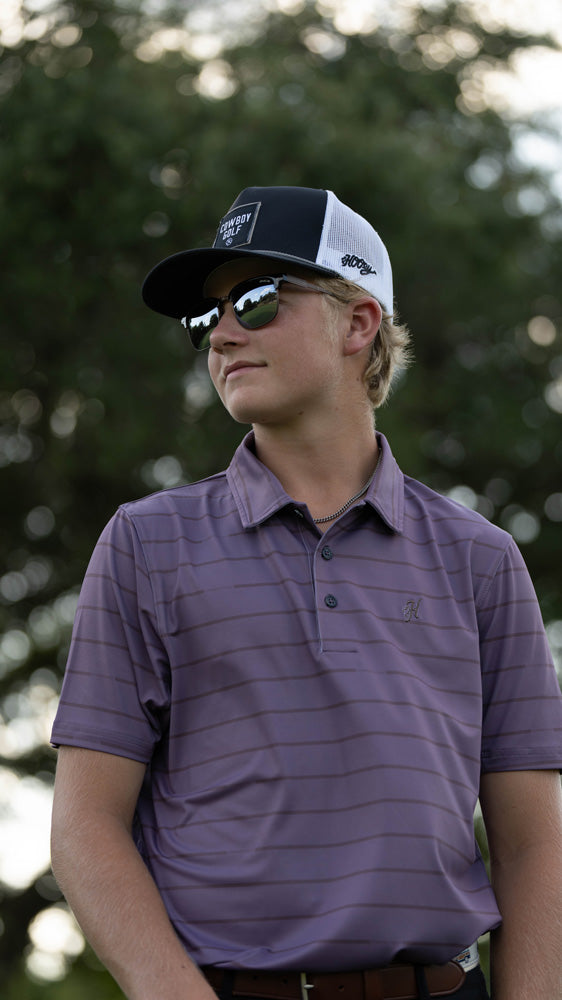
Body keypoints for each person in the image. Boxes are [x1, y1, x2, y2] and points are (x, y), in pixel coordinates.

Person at [50, 186, 562, 1000]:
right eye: (207, 317)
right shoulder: (147, 544)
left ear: (358, 323)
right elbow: (85, 826)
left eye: (255, 301)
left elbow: (533, 844)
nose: (220, 334)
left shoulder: (482, 560)